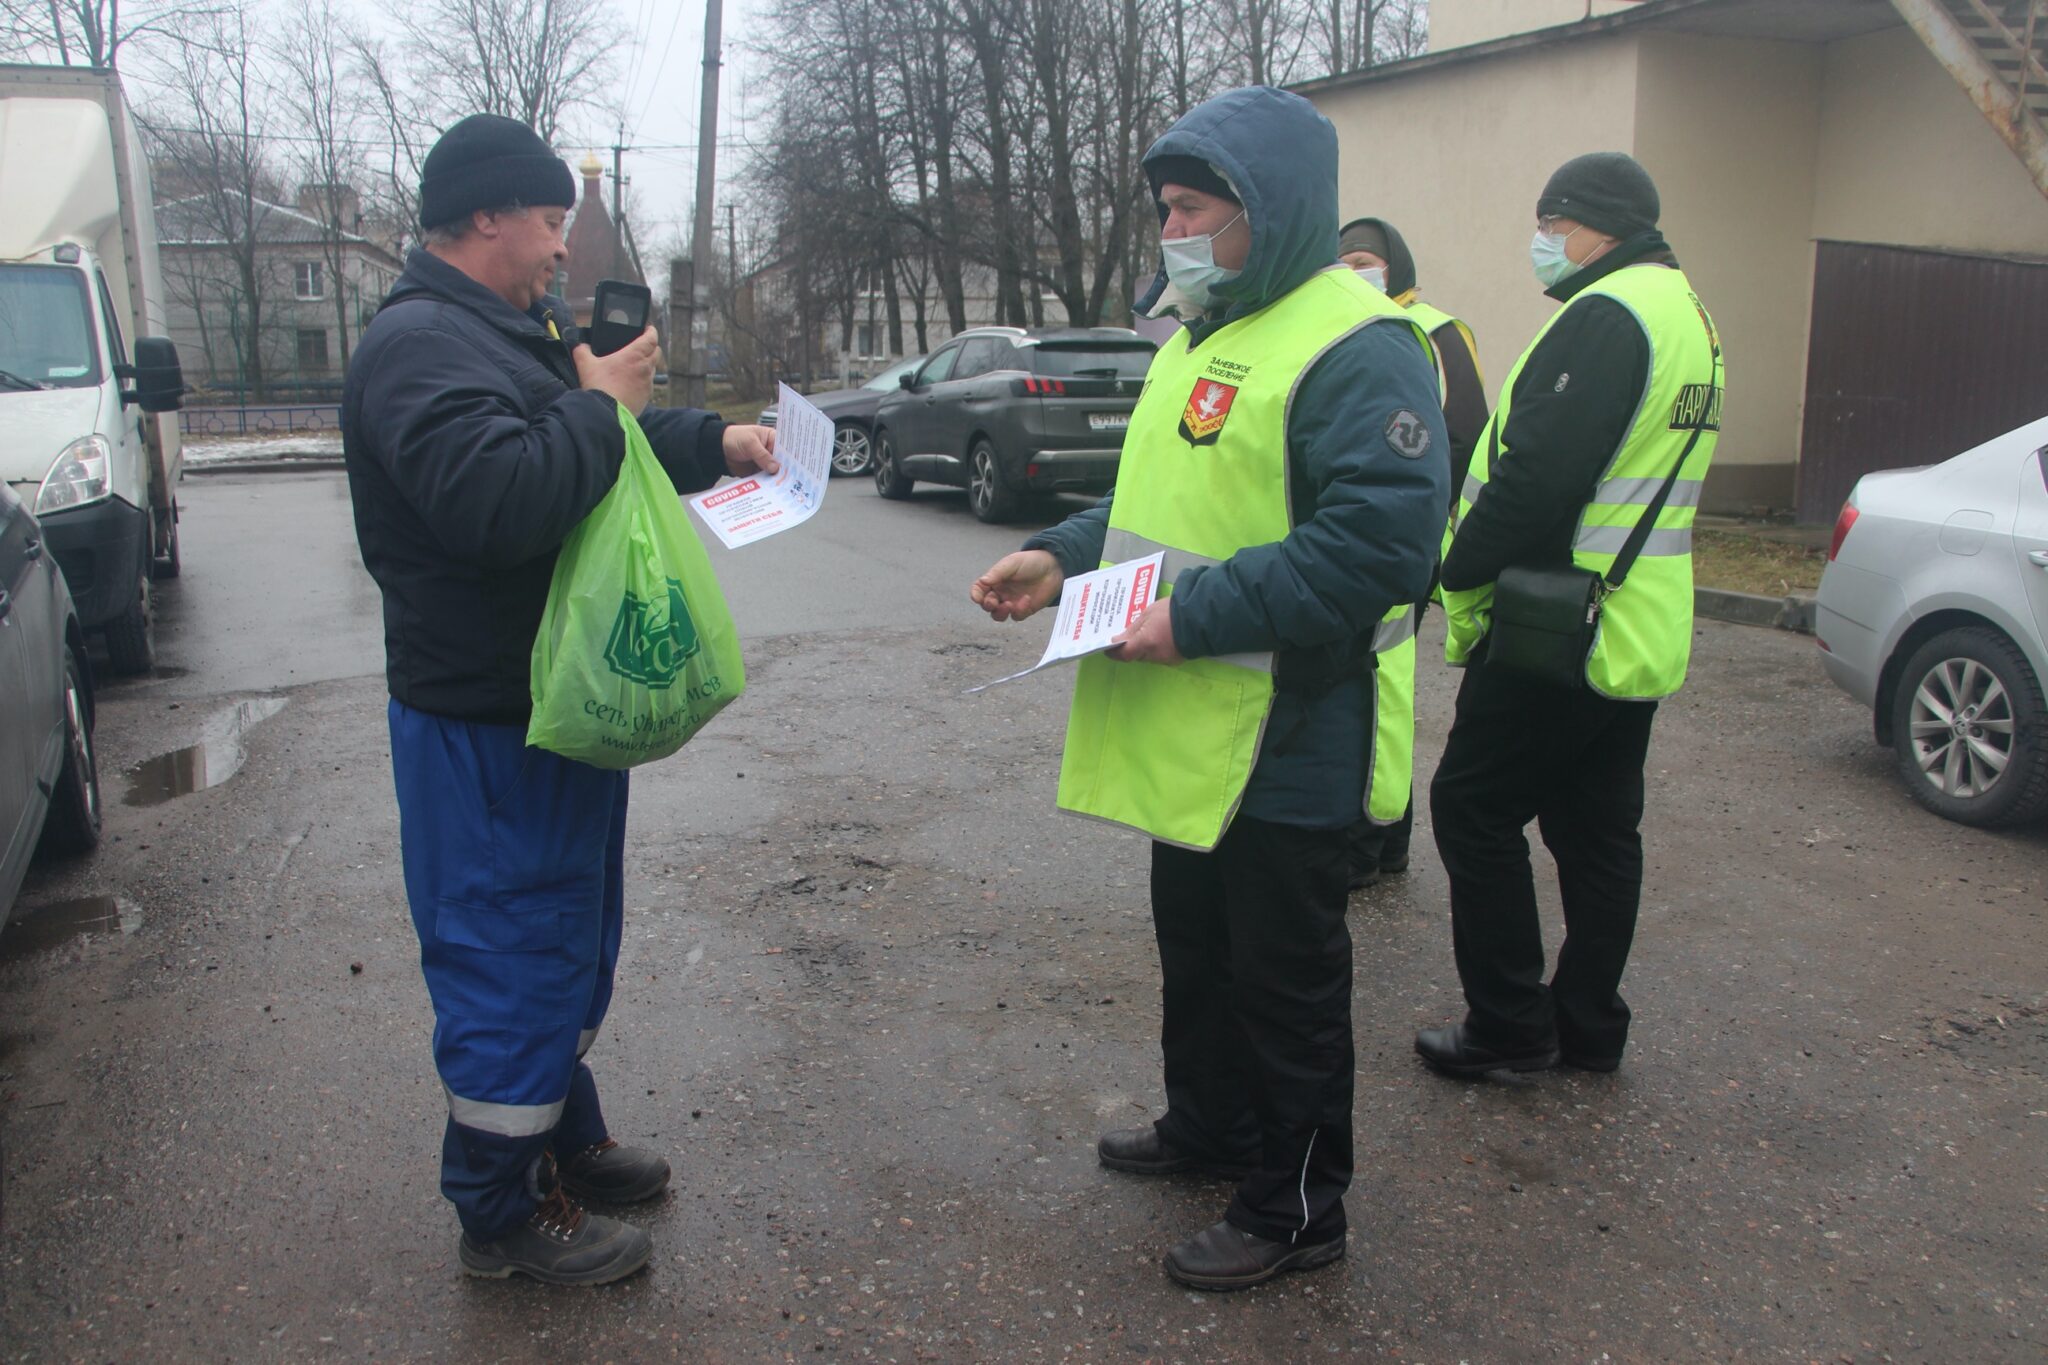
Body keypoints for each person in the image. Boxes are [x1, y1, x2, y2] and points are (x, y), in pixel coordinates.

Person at [970, 86, 1446, 1292]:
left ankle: (1296, 1208)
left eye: (1191, 209)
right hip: (1190, 728)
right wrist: (1059, 555)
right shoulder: (1202, 330)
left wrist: (1194, 618)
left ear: (1264, 209)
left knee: (1284, 977)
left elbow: (1376, 551)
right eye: (1167, 211)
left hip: (1284, 726)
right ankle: (1210, 1127)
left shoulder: (1357, 344)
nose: (1171, 233)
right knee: (1197, 949)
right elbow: (1160, 509)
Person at [342, 114, 778, 1285]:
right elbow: (500, 497)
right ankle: (497, 1212)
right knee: (507, 948)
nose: (558, 251)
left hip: (548, 706)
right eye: (548, 224)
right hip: (483, 719)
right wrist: (606, 407)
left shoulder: (500, 327)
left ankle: (558, 1139)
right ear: (487, 214)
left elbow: (580, 439)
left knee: (564, 943)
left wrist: (715, 442)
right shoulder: (418, 347)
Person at [1418, 152, 1724, 1079]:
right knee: (1596, 831)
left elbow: (1536, 480)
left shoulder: (1606, 315)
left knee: (1471, 807)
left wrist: (1447, 567)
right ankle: (1589, 1024)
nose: (1542, 241)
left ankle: (1509, 1027)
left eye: (1553, 223)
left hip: (1558, 625)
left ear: (1598, 227)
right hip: (1635, 621)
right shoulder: (1689, 316)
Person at [1335, 217, 1491, 892]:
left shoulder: (1432, 329)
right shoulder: (1352, 321)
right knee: (1373, 685)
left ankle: (1372, 837)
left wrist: (1422, 529)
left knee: (1384, 687)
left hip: (1407, 543)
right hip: (1375, 537)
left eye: (1366, 259)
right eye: (1344, 260)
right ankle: (1383, 832)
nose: (1355, 270)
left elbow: (1463, 435)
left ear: (1395, 265)